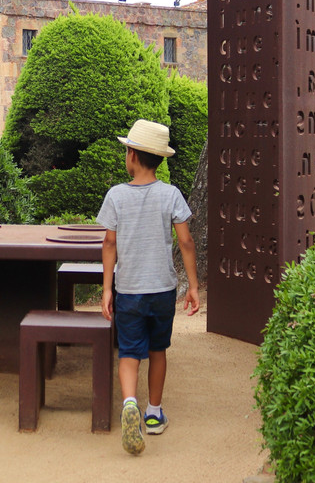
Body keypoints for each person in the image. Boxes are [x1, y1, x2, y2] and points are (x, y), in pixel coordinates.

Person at [96, 119, 200, 456]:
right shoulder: (171, 195)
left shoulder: (116, 195)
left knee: (129, 352)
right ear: (159, 159)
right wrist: (193, 286)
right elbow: (186, 242)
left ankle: (130, 403)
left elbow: (109, 244)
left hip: (128, 289)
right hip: (162, 290)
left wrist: (107, 289)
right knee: (158, 349)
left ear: (132, 155)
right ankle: (153, 414)